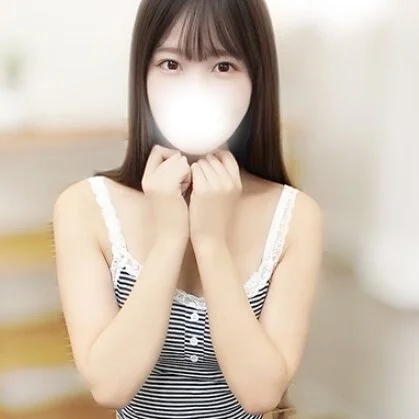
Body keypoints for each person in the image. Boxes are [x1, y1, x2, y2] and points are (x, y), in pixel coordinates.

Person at [53, 0, 323, 418]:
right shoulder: (84, 207)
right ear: (142, 74)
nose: (195, 90)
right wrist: (169, 239)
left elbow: (261, 394)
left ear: (257, 79)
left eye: (223, 66)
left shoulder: (295, 217)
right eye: (171, 64)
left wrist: (210, 241)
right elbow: (109, 386)